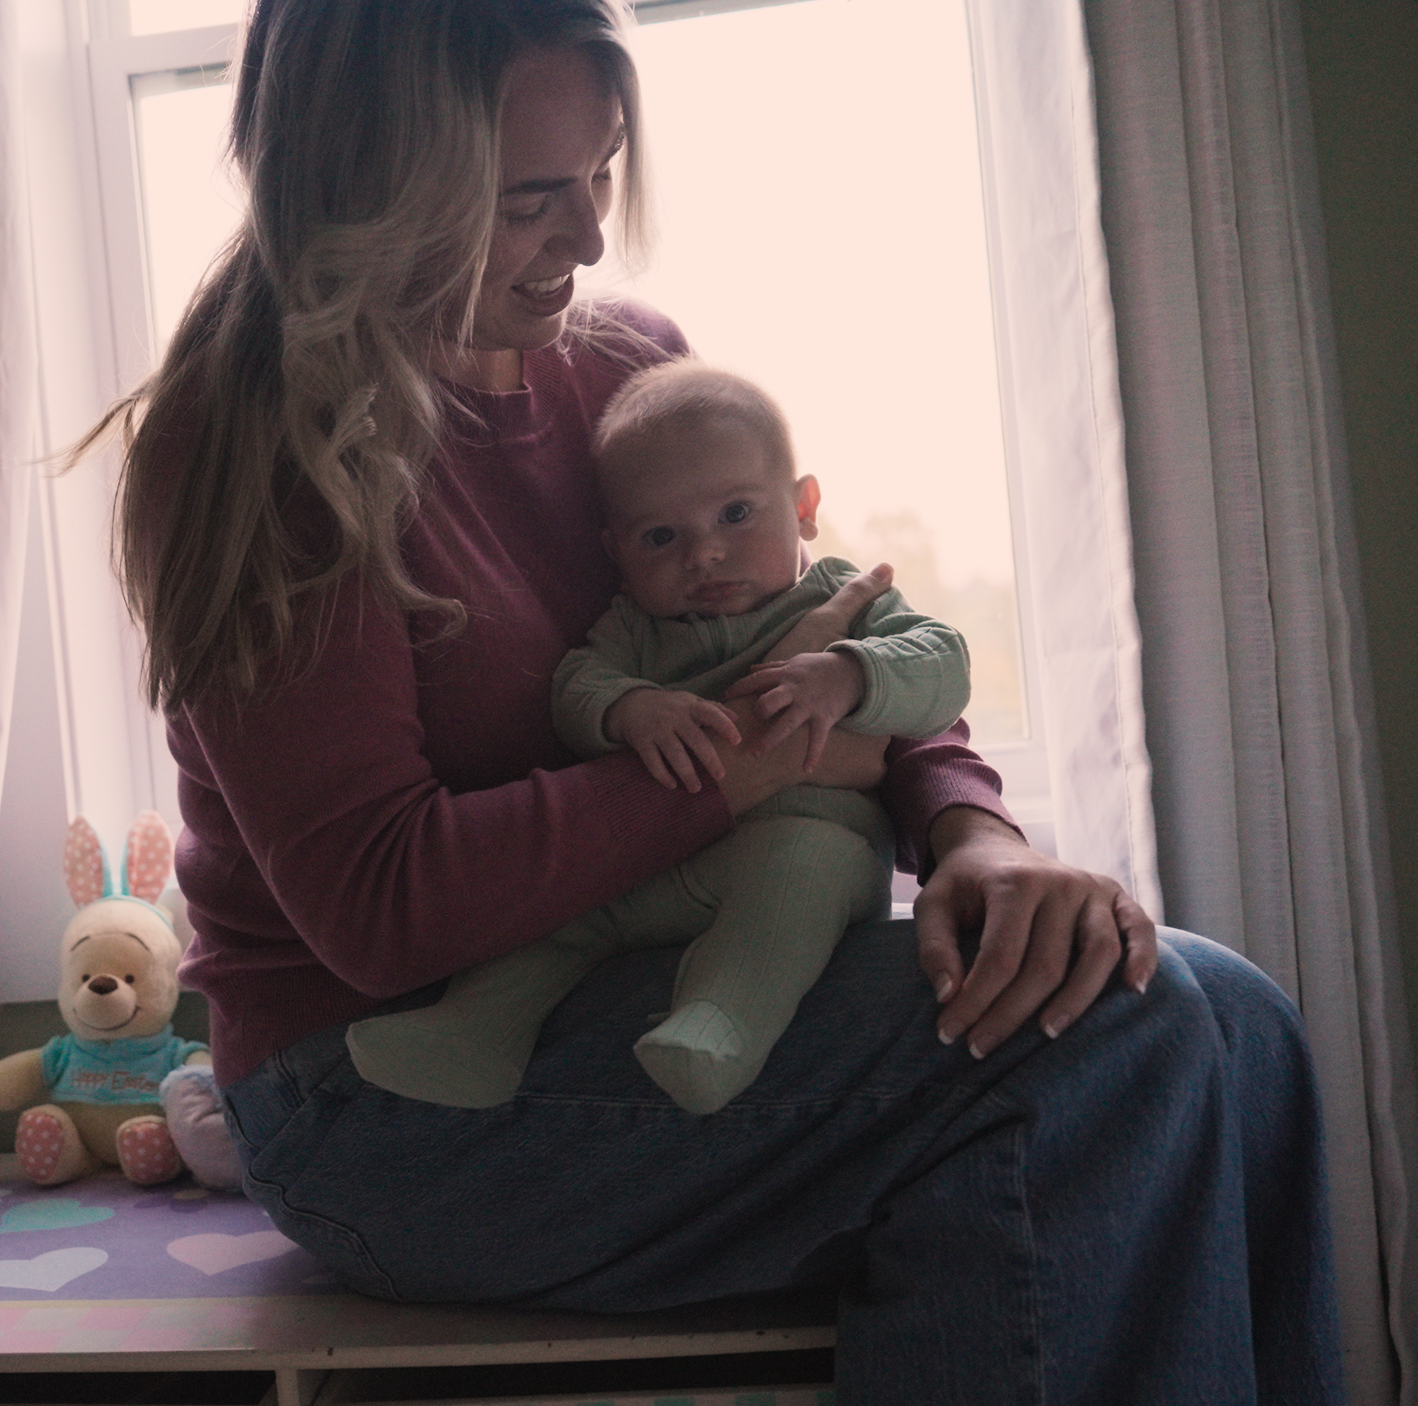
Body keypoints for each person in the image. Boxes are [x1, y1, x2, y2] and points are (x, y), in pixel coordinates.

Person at [105, 2, 1344, 1401]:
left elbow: (811, 626)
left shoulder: (627, 369)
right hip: (381, 1091)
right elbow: (381, 907)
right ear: (375, 183)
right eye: (528, 201)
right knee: (1121, 1036)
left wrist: (974, 840)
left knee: (1234, 1016)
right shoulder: (270, 450)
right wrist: (746, 763)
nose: (584, 239)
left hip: (630, 981)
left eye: (603, 174)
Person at [346, 361, 972, 1114]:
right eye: (661, 536)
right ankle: (473, 1034)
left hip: (799, 853)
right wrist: (630, 708)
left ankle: (722, 1028)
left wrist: (849, 674)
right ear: (616, 550)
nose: (702, 554)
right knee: (553, 912)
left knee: (796, 875)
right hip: (659, 862)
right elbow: (577, 683)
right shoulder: (637, 627)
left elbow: (944, 664)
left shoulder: (840, 595)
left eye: (736, 515)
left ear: (803, 506)